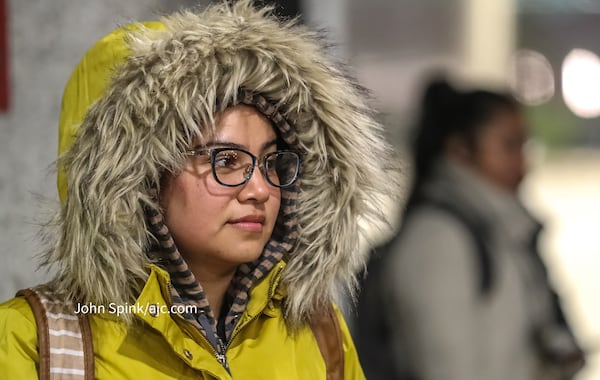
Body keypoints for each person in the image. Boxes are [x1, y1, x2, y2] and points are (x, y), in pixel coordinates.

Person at [0, 1, 396, 378]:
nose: (259, 189)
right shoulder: (36, 341)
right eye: (226, 162)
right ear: (139, 177)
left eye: (272, 162)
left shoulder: (316, 330)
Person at [356, 77, 585, 380]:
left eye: (524, 145)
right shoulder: (437, 242)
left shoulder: (502, 231)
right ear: (460, 149)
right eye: (509, 145)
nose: (523, 162)